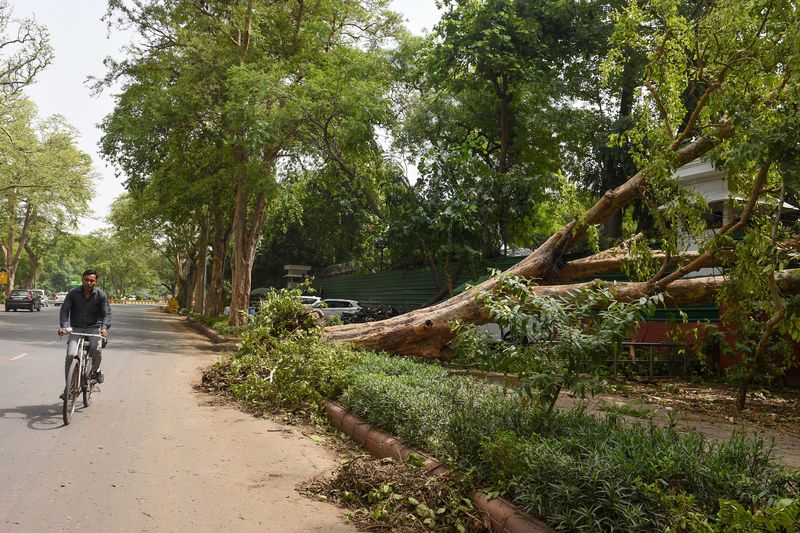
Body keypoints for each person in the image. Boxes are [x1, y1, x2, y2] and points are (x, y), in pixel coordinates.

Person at [58, 269, 111, 394]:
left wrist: (104, 328)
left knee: (96, 349)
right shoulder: (73, 293)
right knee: (71, 355)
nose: (89, 283)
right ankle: (69, 387)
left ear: (95, 282)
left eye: (92, 281)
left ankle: (96, 371)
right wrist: (64, 326)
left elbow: (106, 314)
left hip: (93, 328)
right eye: (86, 280)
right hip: (76, 328)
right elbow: (64, 310)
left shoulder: (101, 295)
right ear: (82, 279)